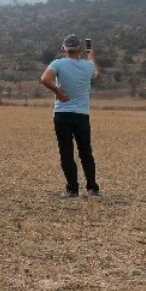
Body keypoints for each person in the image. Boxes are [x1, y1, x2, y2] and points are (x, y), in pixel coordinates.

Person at [40, 33, 100, 198]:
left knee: (66, 152)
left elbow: (45, 79)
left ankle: (72, 189)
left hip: (62, 113)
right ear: (79, 48)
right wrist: (91, 57)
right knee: (85, 152)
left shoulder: (58, 63)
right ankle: (92, 188)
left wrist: (58, 92)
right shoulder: (88, 66)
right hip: (81, 115)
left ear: (64, 49)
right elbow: (96, 73)